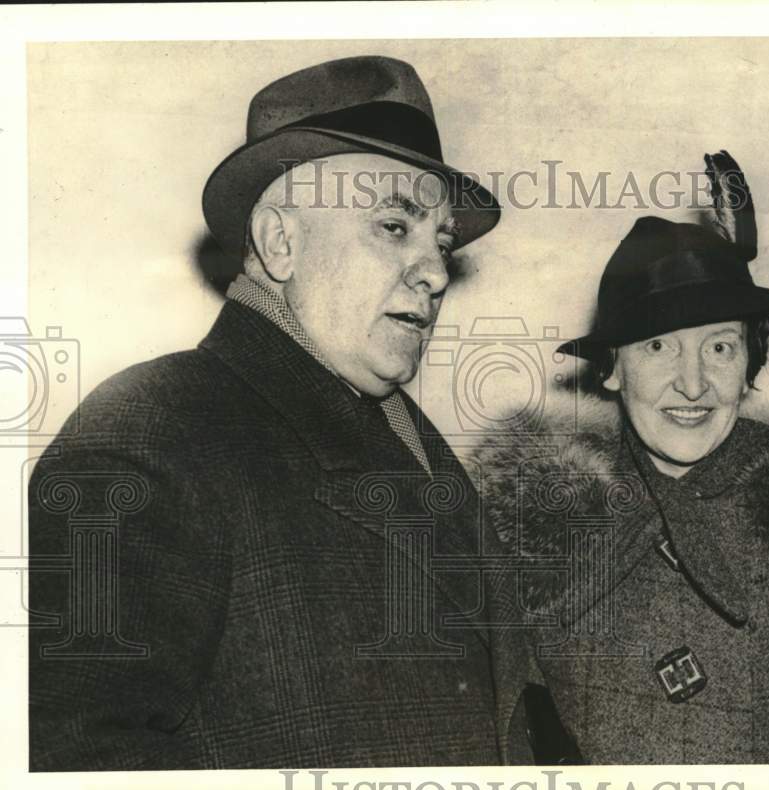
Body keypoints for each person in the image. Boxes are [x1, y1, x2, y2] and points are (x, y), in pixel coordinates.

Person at [28, 55, 534, 770]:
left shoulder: (404, 436)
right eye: (395, 226)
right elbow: (73, 754)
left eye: (441, 243)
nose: (435, 273)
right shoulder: (152, 430)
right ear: (280, 243)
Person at [473, 152, 769, 763]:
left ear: (748, 365)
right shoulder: (544, 534)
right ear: (613, 369)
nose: (693, 384)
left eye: (720, 347)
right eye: (658, 347)